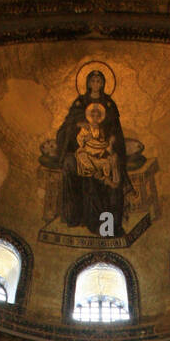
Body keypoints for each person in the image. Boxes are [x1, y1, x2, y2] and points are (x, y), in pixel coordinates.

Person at [54, 70, 131, 235]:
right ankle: (75, 215)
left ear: (103, 84)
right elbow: (67, 128)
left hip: (104, 151)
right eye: (93, 80)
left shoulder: (109, 104)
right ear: (88, 83)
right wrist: (80, 125)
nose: (96, 84)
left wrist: (111, 145)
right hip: (83, 152)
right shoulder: (80, 103)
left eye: (99, 81)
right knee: (74, 164)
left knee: (112, 169)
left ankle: (110, 226)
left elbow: (116, 131)